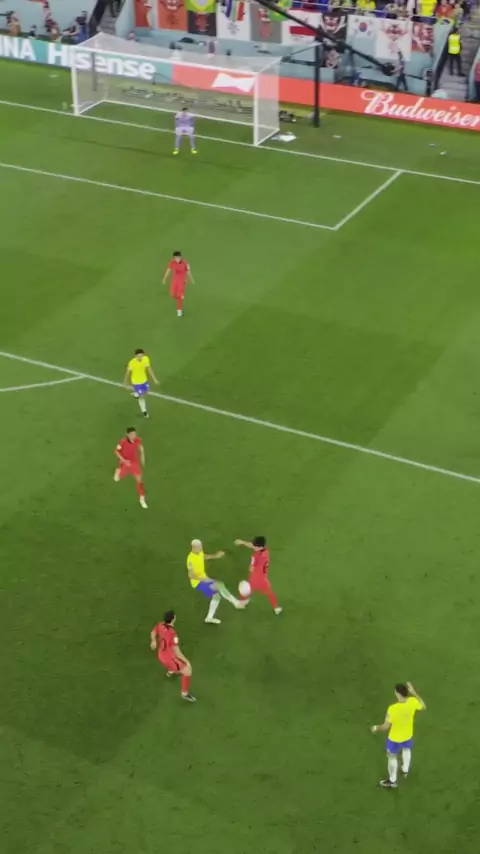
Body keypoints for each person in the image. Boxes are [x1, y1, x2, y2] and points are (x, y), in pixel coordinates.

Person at [371, 682, 426, 788]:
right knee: (406, 749)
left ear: (397, 693)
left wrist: (376, 727)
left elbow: (385, 726)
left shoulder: (392, 708)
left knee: (392, 757)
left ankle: (392, 781)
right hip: (408, 734)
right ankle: (405, 769)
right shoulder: (412, 701)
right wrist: (414, 693)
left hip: (394, 738)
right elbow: (423, 706)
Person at [187, 539, 243, 625]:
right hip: (198, 582)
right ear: (194, 547)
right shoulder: (190, 559)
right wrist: (203, 579)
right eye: (199, 547)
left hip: (204, 578)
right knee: (219, 585)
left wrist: (216, 556)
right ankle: (236, 603)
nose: (201, 548)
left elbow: (203, 556)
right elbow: (190, 575)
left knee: (217, 595)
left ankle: (209, 618)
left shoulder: (199, 552)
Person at [150, 610, 196, 702]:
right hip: (169, 659)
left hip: (161, 654)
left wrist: (153, 641)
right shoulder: (173, 634)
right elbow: (177, 652)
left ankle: (170, 672)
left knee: (173, 664)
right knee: (188, 671)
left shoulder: (160, 625)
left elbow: (153, 632)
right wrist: (186, 661)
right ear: (173, 619)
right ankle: (184, 694)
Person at [234, 536, 282, 614]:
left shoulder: (255, 556)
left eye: (254, 546)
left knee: (244, 589)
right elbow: (253, 546)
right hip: (263, 579)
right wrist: (242, 542)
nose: (253, 547)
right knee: (269, 592)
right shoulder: (266, 551)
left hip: (253, 579)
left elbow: (251, 568)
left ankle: (241, 603)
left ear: (258, 546)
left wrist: (251, 566)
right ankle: (276, 608)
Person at [113, 427, 148, 508]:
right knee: (117, 478)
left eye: (134, 434)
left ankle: (142, 498)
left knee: (139, 481)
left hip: (133, 462)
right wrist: (124, 460)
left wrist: (142, 455)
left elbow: (140, 447)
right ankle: (118, 471)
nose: (133, 436)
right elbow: (116, 451)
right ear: (127, 434)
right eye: (132, 434)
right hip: (124, 462)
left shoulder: (137, 440)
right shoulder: (122, 442)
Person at [123, 348, 158, 418]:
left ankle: (136, 394)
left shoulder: (146, 359)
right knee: (142, 397)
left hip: (144, 380)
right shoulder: (132, 363)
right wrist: (125, 382)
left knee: (147, 392)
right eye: (138, 356)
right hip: (136, 382)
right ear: (135, 356)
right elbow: (127, 373)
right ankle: (144, 412)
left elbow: (149, 369)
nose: (140, 357)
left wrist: (154, 379)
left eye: (141, 356)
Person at [162, 250, 194, 318]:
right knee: (172, 295)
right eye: (175, 258)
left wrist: (191, 279)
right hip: (174, 281)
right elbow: (168, 270)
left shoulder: (185, 263)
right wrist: (164, 278)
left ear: (180, 257)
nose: (177, 259)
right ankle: (181, 297)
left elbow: (188, 272)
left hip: (181, 282)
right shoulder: (172, 262)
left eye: (178, 257)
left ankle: (179, 311)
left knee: (179, 297)